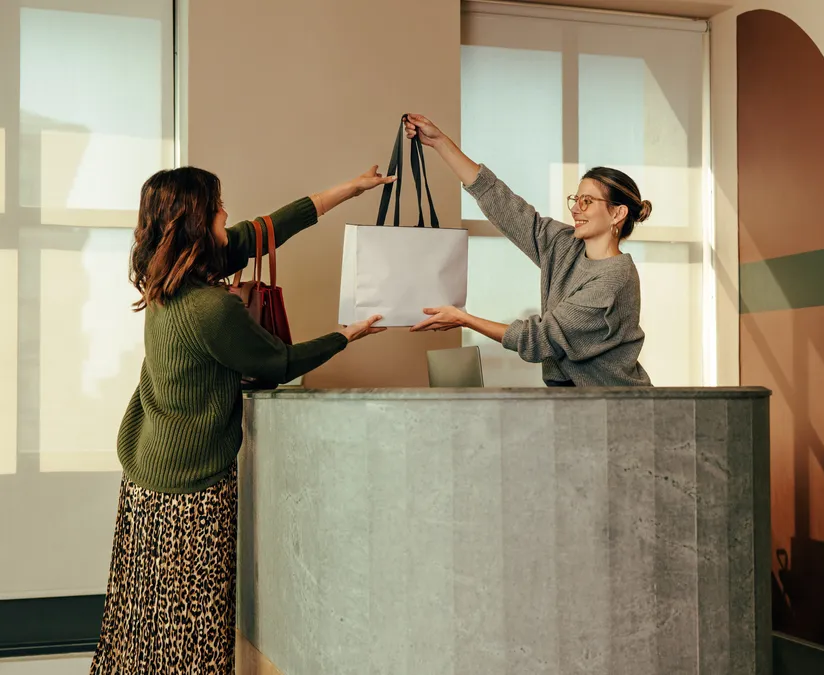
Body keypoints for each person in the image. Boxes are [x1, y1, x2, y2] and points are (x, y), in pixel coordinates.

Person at [89, 165, 391, 674]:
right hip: (193, 491)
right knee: (194, 627)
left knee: (143, 622)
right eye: (219, 204)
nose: (228, 211)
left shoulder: (170, 281)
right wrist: (347, 335)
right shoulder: (212, 310)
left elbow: (268, 229)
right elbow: (278, 362)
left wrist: (352, 188)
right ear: (196, 219)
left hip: (146, 477)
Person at [404, 113, 653, 387]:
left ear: (618, 213)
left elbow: (541, 339)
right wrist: (441, 142)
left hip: (617, 407)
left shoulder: (614, 279)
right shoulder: (565, 245)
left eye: (587, 201)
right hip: (574, 403)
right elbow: (506, 206)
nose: (575, 209)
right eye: (575, 199)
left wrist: (465, 319)